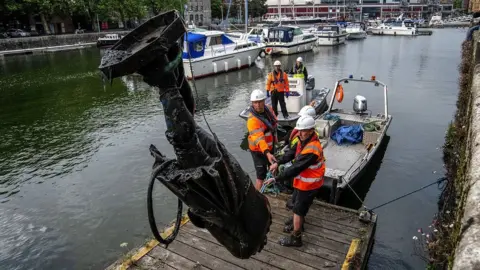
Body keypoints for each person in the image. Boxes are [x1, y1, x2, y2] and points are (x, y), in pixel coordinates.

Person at [269, 115, 325, 247]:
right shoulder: (302, 140)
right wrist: (278, 162)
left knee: (298, 210)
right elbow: (290, 153)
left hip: (310, 185)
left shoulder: (312, 149)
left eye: (303, 130)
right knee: (295, 203)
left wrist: (276, 178)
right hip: (302, 182)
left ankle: (296, 237)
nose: (300, 133)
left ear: (311, 130)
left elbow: (295, 168)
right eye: (299, 130)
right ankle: (298, 222)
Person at [247, 89, 278, 191]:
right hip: (258, 151)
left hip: (270, 146)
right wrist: (267, 153)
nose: (258, 104)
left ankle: (272, 185)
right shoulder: (252, 120)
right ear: (252, 103)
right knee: (260, 176)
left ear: (264, 101)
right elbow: (259, 139)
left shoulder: (269, 109)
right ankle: (257, 195)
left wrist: (276, 137)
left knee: (273, 167)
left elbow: (274, 124)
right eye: (256, 102)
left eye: (260, 101)